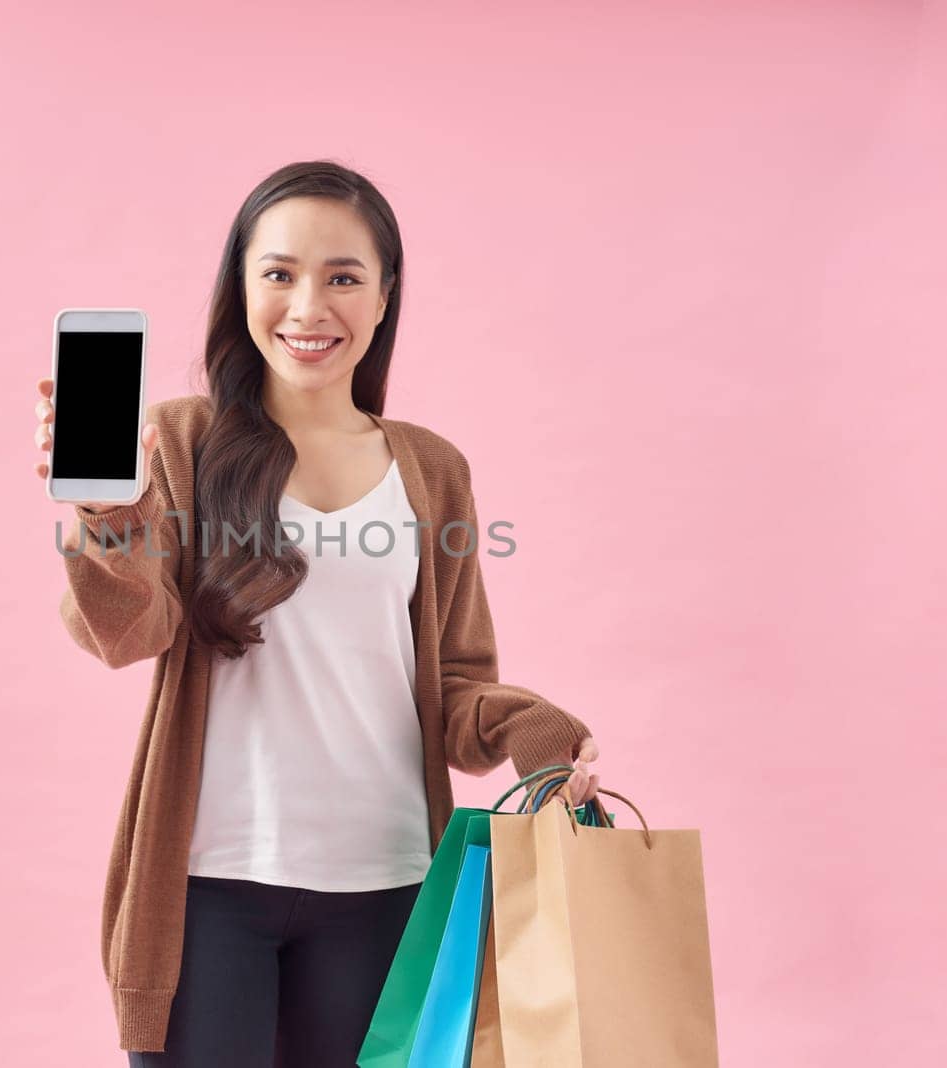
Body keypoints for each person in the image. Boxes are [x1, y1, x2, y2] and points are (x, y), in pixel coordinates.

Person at [34, 160, 601, 1066]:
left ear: (384, 298)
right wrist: (109, 519)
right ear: (241, 288)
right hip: (207, 886)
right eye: (279, 274)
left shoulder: (431, 469)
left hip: (387, 887)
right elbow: (125, 633)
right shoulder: (181, 442)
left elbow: (452, 688)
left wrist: (535, 731)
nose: (309, 307)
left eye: (343, 277)